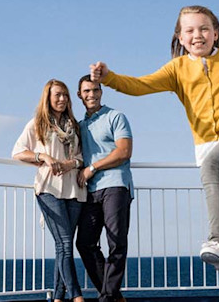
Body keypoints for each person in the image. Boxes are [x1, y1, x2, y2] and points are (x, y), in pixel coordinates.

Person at [91, 5, 219, 302]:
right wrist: (109, 77)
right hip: (209, 153)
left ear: (215, 33)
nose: (197, 34)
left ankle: (215, 239)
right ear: (180, 37)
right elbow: (140, 85)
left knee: (214, 173)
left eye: (203, 28)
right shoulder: (176, 69)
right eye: (189, 30)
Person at [11, 79, 87, 302]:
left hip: (74, 189)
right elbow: (17, 152)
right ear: (48, 97)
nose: (62, 99)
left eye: (65, 95)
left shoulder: (74, 125)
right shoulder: (38, 123)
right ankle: (77, 296)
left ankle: (58, 296)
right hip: (49, 189)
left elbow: (82, 157)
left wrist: (70, 164)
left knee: (63, 246)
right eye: (57, 95)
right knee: (64, 243)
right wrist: (42, 156)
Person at [75, 74, 134, 302]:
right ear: (80, 95)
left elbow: (124, 152)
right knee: (85, 243)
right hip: (91, 191)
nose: (92, 95)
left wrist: (93, 167)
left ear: (101, 92)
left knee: (116, 241)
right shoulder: (80, 126)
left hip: (116, 185)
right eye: (87, 91)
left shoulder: (116, 117)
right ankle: (113, 295)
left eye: (95, 90)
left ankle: (107, 297)